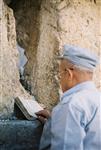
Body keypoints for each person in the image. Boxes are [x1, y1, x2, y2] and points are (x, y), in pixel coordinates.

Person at [36, 45, 101, 150]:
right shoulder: (97, 98)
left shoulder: (71, 105)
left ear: (69, 74)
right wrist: (55, 123)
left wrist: (64, 113)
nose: (60, 79)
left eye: (60, 74)